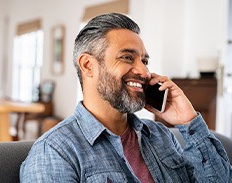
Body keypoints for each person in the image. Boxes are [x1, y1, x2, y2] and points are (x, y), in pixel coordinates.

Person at [20, 13, 232, 182]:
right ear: (87, 65)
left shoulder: (161, 136)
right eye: (127, 57)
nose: (143, 71)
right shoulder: (55, 152)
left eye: (145, 61)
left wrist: (189, 120)